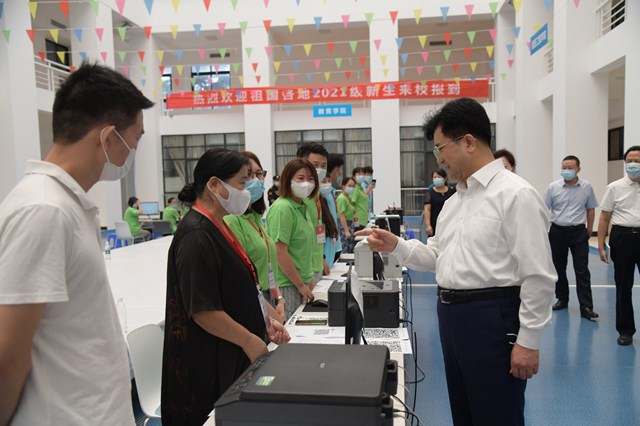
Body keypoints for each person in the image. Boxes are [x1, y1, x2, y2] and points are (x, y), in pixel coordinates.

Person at [356, 98, 556, 425]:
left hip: (492, 318)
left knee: (496, 415)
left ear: (469, 142)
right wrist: (397, 246)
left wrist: (529, 341)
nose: (439, 159)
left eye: (440, 148)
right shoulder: (454, 202)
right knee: (465, 412)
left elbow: (539, 274)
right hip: (451, 317)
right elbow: (438, 255)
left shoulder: (515, 194)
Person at [0, 62, 153, 425]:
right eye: (135, 139)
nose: (134, 149)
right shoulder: (43, 209)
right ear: (108, 137)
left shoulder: (66, 204)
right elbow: (8, 354)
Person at [161, 148, 290, 426]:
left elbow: (241, 287)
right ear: (214, 184)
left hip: (230, 356)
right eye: (242, 182)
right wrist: (249, 340)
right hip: (207, 365)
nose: (247, 190)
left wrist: (266, 321)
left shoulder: (218, 225)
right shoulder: (196, 235)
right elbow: (203, 310)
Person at [224, 151, 286, 323]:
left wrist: (279, 299)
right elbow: (240, 279)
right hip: (251, 303)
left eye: (259, 174)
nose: (256, 180)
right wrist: (272, 315)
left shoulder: (256, 218)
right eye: (249, 175)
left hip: (269, 298)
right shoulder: (231, 220)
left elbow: (268, 267)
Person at [544, 155, 599, 320]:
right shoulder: (553, 187)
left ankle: (586, 306)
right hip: (557, 231)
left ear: (578, 169)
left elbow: (590, 209)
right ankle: (562, 298)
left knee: (582, 270)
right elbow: (544, 209)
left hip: (578, 232)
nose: (566, 171)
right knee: (558, 267)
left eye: (570, 168)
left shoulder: (587, 187)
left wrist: (589, 230)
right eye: (564, 168)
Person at [597, 145, 640, 346]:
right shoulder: (614, 187)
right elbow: (604, 217)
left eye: (637, 161)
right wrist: (601, 245)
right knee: (623, 286)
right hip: (623, 237)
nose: (633, 164)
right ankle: (625, 330)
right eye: (629, 161)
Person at [266, 158, 318, 319]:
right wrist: (300, 284)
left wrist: (308, 278)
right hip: (287, 284)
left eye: (310, 178)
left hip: (300, 282)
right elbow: (280, 252)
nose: (306, 183)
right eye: (300, 178)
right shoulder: (283, 208)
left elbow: (301, 249)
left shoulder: (302, 207)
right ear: (288, 180)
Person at [296, 143, 330, 285]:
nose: (320, 169)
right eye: (315, 165)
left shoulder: (315, 193)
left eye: (323, 165)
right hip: (304, 270)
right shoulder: (300, 195)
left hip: (316, 264)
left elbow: (316, 228)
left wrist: (322, 259)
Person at [423, 168, 456, 237]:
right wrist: (428, 225)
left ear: (445, 178)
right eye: (434, 177)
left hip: (449, 224)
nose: (436, 179)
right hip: (435, 224)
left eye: (439, 177)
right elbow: (427, 210)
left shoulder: (451, 192)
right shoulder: (430, 193)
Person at [337, 176, 358, 253]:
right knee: (345, 248)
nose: (351, 188)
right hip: (344, 225)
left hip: (350, 224)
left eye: (353, 186)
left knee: (350, 247)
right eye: (349, 186)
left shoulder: (348, 197)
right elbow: (341, 215)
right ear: (343, 186)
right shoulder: (341, 198)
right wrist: (346, 231)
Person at [351, 166, 369, 231]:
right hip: (358, 220)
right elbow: (351, 204)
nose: (361, 176)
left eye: (362, 174)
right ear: (354, 177)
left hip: (363, 220)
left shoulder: (361, 189)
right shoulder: (355, 189)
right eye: (359, 174)